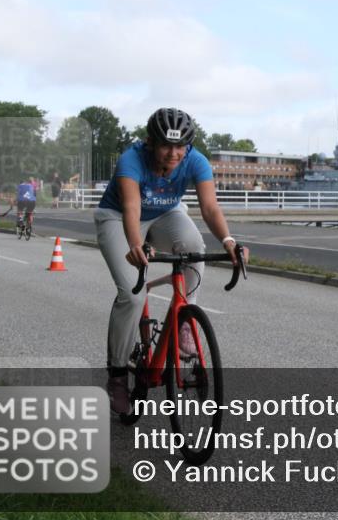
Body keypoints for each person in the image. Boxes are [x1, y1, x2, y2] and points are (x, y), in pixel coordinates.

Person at [95, 108, 248, 415]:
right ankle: (116, 376)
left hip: (166, 213)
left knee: (193, 246)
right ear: (150, 142)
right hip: (118, 216)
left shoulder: (196, 160)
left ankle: (184, 324)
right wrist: (135, 245)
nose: (174, 153)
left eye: (181, 146)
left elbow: (209, 208)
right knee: (132, 294)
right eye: (166, 145)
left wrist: (229, 240)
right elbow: (131, 207)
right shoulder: (131, 159)